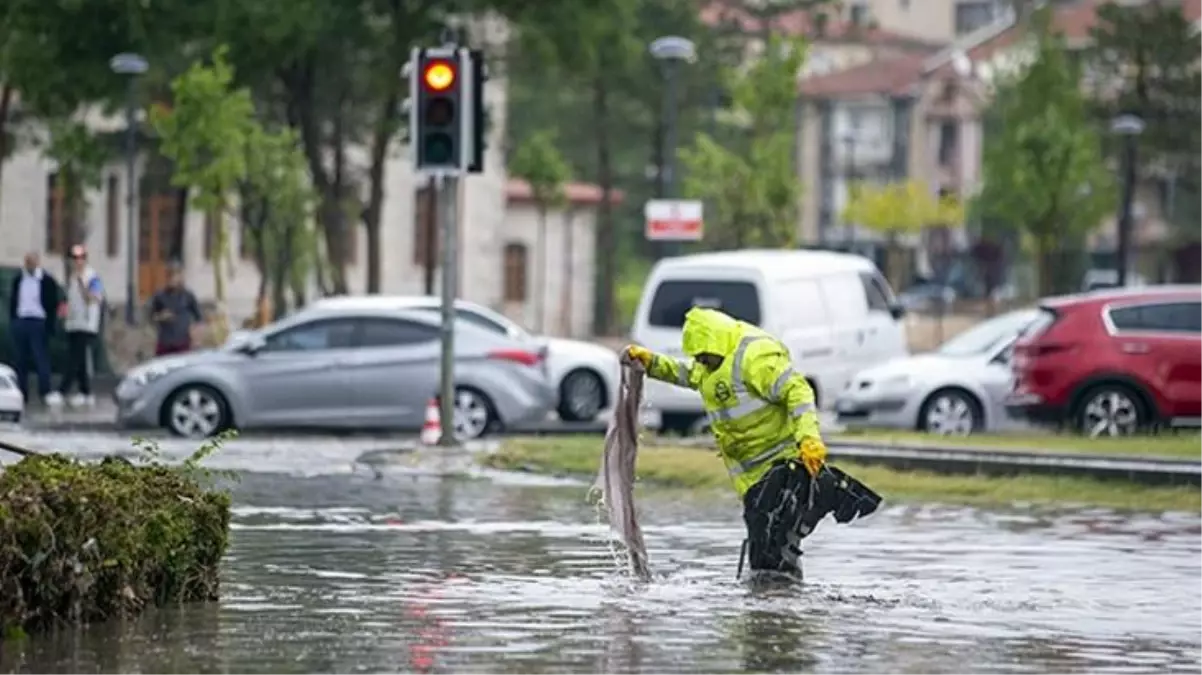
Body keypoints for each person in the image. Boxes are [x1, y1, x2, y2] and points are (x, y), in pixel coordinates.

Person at [623, 306, 880, 580]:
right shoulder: (709, 365)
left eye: (703, 356)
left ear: (715, 344)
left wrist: (809, 439)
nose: (701, 361)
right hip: (751, 478)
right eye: (697, 358)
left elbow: (798, 390)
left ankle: (774, 609)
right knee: (770, 546)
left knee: (770, 546)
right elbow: (684, 374)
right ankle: (776, 605)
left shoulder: (754, 357)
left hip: (782, 465)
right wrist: (650, 363)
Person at [54, 244, 104, 407]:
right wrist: (64, 311)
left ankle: (63, 390)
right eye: (74, 258)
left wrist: (82, 283)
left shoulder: (92, 277)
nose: (77, 261)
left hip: (86, 323)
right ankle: (86, 392)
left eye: (80, 257)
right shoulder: (71, 278)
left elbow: (93, 298)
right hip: (74, 322)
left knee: (74, 358)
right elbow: (71, 300)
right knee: (80, 359)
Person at [7, 252, 60, 405]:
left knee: (40, 357)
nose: (30, 265)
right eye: (27, 262)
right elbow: (13, 300)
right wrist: (14, 320)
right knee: (20, 359)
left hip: (38, 322)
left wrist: (50, 323)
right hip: (21, 320)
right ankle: (22, 392)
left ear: (37, 263)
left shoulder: (46, 280)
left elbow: (52, 302)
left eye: (32, 262)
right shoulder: (19, 280)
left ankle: (45, 391)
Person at [149, 264, 204, 356]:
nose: (172, 279)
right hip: (165, 343)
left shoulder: (188, 295)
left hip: (183, 343)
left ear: (180, 277)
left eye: (175, 276)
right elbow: (151, 317)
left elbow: (199, 318)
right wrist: (161, 316)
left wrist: (196, 338)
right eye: (169, 276)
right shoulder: (159, 296)